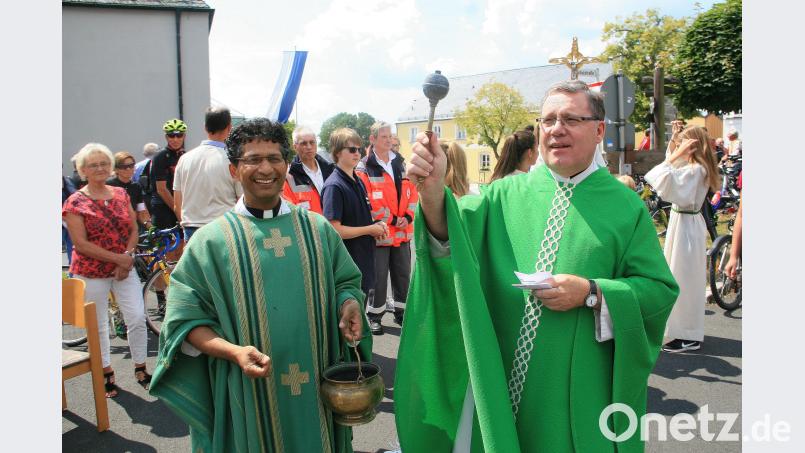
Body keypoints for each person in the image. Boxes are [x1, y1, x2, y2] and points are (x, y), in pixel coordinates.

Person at [396, 80, 678, 452]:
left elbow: (658, 291)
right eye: (547, 120)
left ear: (598, 131)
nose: (556, 129)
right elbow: (450, 239)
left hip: (577, 395)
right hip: (499, 380)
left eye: (571, 119)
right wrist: (433, 191)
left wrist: (592, 292)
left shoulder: (625, 207)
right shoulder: (501, 196)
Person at [149, 118, 371, 452]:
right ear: (233, 170)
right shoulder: (210, 243)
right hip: (247, 392)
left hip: (317, 387)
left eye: (274, 158)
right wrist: (234, 352)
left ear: (286, 165)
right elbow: (184, 322)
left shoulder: (318, 230)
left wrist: (349, 304)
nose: (265, 168)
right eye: (253, 159)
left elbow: (346, 283)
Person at [63, 143, 151, 398]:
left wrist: (127, 257)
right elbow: (81, 244)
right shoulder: (75, 202)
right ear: (83, 170)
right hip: (92, 272)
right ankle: (105, 371)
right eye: (93, 165)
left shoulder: (121, 194)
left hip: (124, 268)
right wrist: (119, 260)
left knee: (137, 317)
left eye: (104, 163)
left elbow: (133, 228)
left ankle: (141, 367)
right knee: (98, 325)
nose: (100, 168)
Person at [646, 125, 720, 353]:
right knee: (678, 276)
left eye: (683, 144)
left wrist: (676, 153)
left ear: (693, 146)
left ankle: (688, 335)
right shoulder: (694, 167)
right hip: (684, 224)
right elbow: (670, 169)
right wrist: (674, 142)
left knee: (685, 281)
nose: (679, 147)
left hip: (687, 227)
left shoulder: (696, 170)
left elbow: (659, 176)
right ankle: (681, 330)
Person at [356, 121, 417, 335]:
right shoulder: (364, 167)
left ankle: (401, 312)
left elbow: (412, 192)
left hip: (402, 231)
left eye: (390, 136)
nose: (389, 140)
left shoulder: (400, 162)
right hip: (381, 233)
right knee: (378, 278)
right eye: (384, 137)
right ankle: (375, 317)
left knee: (402, 276)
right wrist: (392, 219)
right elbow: (367, 201)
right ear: (372, 139)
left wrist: (408, 216)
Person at [321, 127, 389, 311]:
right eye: (352, 149)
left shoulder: (357, 180)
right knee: (351, 319)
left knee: (361, 316)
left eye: (359, 149)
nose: (357, 153)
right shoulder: (334, 186)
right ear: (337, 152)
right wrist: (370, 229)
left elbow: (359, 218)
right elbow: (334, 229)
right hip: (347, 268)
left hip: (363, 261)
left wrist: (376, 225)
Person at [173, 107, 241, 242]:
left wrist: (186, 224)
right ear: (229, 127)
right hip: (224, 226)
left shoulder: (184, 159)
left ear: (205, 127)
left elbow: (177, 203)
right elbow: (241, 200)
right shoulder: (232, 160)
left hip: (191, 227)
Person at [282, 125, 334, 214]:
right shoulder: (289, 178)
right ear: (295, 147)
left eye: (312, 142)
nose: (309, 147)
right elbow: (290, 212)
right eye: (304, 143)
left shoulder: (331, 170)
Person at [149, 119, 187, 229]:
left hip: (180, 206)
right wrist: (177, 211)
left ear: (184, 136)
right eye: (171, 136)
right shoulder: (160, 156)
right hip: (163, 207)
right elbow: (161, 189)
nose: (175, 139)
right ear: (166, 137)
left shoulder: (184, 155)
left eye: (179, 135)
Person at [107, 151, 152, 229]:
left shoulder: (136, 186)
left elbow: (141, 211)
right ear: (116, 169)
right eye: (124, 167)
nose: (128, 169)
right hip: (113, 228)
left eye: (131, 165)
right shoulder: (109, 185)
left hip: (132, 228)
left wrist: (151, 228)